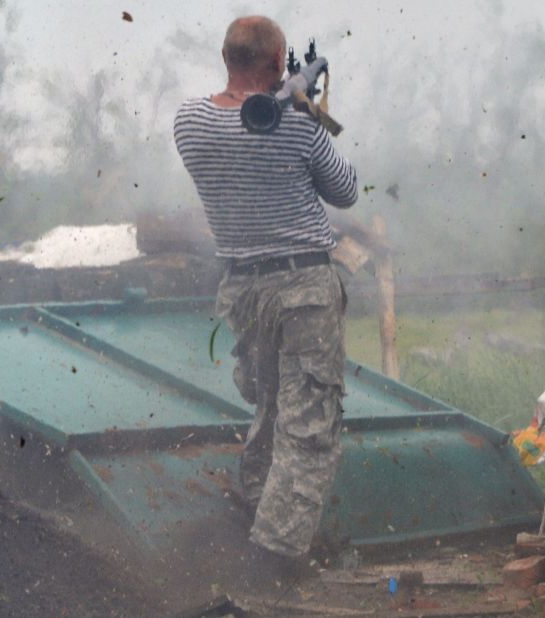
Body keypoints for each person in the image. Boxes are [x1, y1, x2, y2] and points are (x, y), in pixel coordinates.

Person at [173, 15, 358, 580]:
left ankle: (255, 514)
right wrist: (303, 109)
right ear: (280, 64)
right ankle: (273, 558)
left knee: (272, 408)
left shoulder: (189, 121)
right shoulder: (296, 125)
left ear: (225, 56)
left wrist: (290, 100)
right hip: (303, 286)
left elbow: (241, 130)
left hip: (244, 290)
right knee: (309, 423)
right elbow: (346, 191)